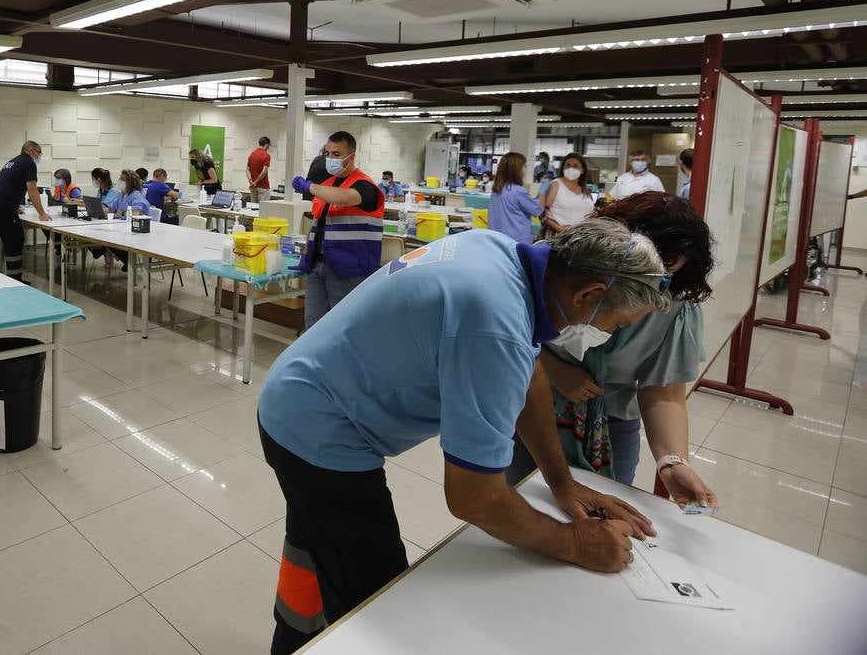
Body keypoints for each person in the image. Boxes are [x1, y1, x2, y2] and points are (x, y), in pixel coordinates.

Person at [257, 220, 667, 653]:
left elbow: (528, 377)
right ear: (588, 294)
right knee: (377, 602)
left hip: (299, 389)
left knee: (317, 542)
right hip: (319, 429)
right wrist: (575, 542)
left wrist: (561, 482)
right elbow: (474, 497)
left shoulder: (502, 256)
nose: (611, 333)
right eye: (616, 323)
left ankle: (292, 641)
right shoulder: (495, 320)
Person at [507, 193, 718, 510]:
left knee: (607, 511)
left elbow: (664, 393)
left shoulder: (674, 306)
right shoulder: (556, 265)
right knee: (524, 504)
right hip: (532, 407)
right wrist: (550, 367)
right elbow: (509, 333)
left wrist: (672, 461)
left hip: (611, 421)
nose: (644, 283)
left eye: (660, 272)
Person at [290, 131, 385, 328]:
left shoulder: (366, 186)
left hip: (350, 270)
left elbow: (343, 198)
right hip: (318, 266)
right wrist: (305, 252)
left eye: (336, 154)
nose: (330, 158)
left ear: (351, 157)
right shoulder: (327, 185)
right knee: (314, 325)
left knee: (343, 327)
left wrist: (310, 187)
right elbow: (319, 221)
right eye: (327, 153)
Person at [0, 141, 50, 281]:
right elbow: (32, 189)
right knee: (14, 240)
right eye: (39, 152)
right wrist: (42, 214)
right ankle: (14, 279)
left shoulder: (12, 161)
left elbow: (6, 184)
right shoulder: (29, 163)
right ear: (32, 150)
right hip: (1, 206)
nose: (39, 156)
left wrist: (13, 205)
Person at [488, 152, 544, 245]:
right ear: (517, 170)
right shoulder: (518, 191)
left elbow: (527, 203)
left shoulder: (497, 191)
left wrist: (537, 196)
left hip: (497, 242)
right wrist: (543, 192)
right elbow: (538, 209)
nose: (525, 169)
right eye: (524, 166)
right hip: (515, 243)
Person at [541, 152, 594, 237]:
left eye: (575, 166)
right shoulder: (555, 185)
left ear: (582, 170)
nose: (571, 168)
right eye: (568, 165)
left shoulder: (585, 189)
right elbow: (543, 213)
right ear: (563, 168)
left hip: (582, 238)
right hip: (560, 237)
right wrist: (559, 228)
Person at [247, 136, 272, 204]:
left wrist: (251, 181)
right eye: (268, 146)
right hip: (263, 187)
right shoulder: (266, 155)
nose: (268, 148)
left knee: (253, 208)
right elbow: (264, 172)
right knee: (264, 209)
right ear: (266, 144)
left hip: (253, 187)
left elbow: (247, 170)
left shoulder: (252, 154)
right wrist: (256, 182)